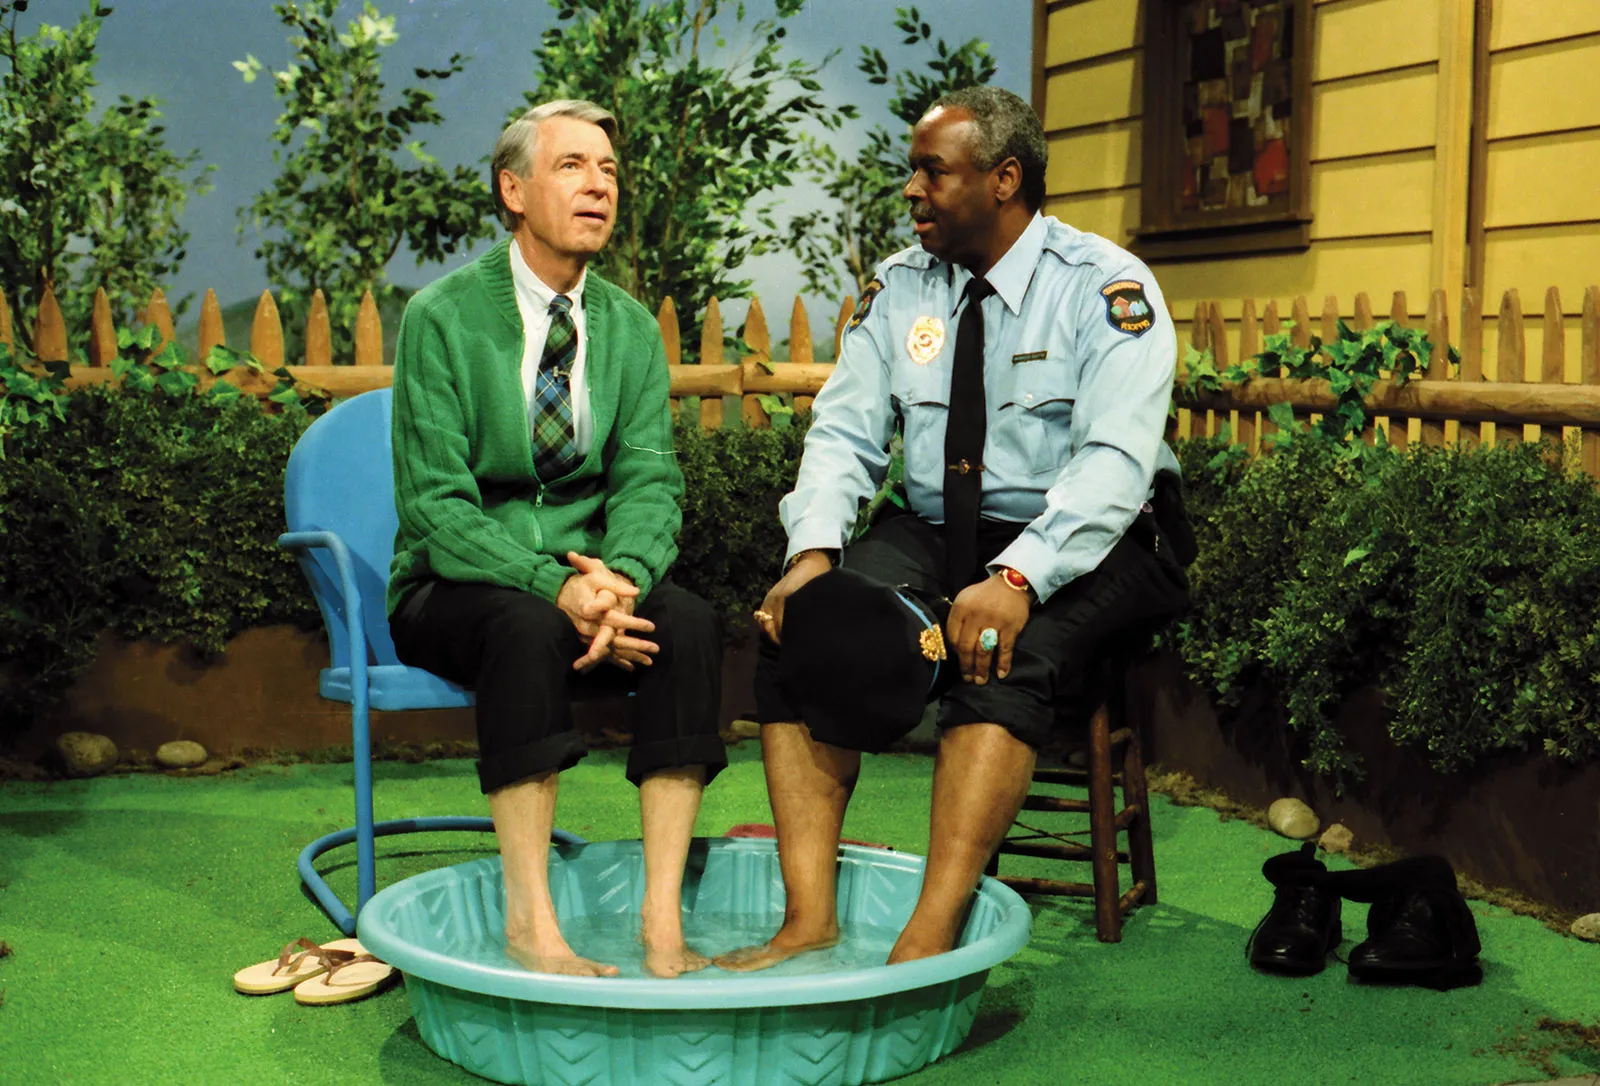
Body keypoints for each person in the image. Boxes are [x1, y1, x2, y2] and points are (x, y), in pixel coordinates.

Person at [717, 86, 1192, 971]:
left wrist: (1017, 579)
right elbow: (844, 435)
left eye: (932, 172)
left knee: (1001, 652)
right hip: (943, 526)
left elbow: (1115, 465)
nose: (911, 190)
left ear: (1004, 180)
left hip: (1099, 535)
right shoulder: (900, 288)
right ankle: (807, 921)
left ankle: (928, 939)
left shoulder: (1105, 287)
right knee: (800, 629)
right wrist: (811, 555)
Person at [386, 100, 726, 979]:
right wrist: (556, 588)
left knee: (688, 625)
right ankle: (531, 923)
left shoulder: (630, 327)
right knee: (526, 626)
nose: (599, 186)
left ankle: (660, 917)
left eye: (608, 170)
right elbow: (435, 507)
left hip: (594, 581)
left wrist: (621, 581)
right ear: (514, 190)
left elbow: (651, 480)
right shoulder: (441, 317)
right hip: (454, 586)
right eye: (573, 166)